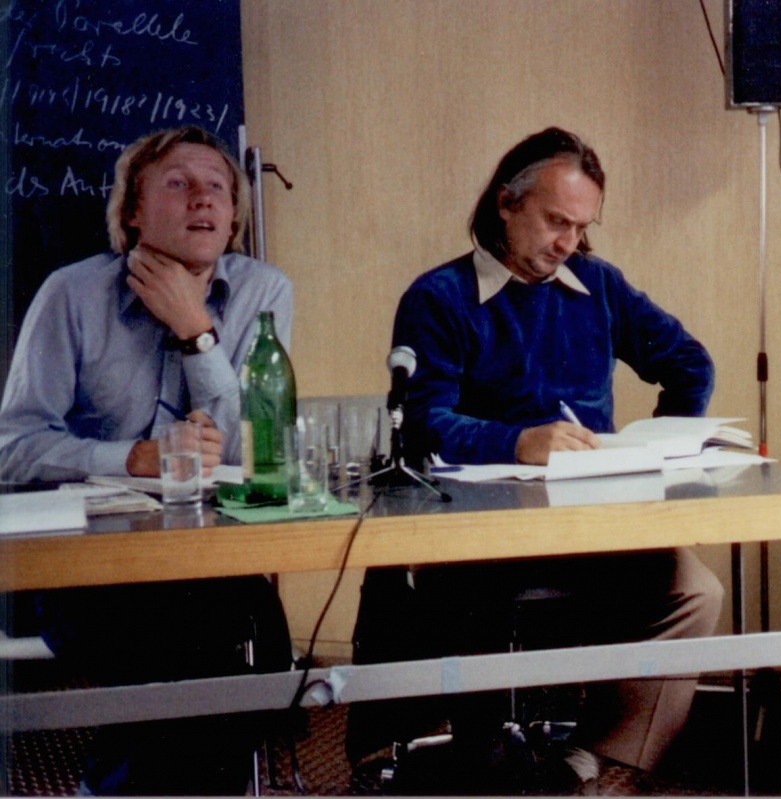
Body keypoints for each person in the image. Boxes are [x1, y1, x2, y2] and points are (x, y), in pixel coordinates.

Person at [351, 127, 724, 793]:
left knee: (696, 591)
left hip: (593, 526)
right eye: (556, 221)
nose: (568, 243)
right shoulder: (438, 297)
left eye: (581, 227)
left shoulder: (599, 285)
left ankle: (585, 759)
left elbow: (691, 364)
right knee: (469, 618)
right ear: (505, 203)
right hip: (481, 538)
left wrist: (660, 445)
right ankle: (482, 753)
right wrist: (515, 440)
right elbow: (420, 421)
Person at [0, 126, 295, 795]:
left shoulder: (264, 291)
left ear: (234, 215)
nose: (203, 200)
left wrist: (198, 332)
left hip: (208, 560)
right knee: (186, 658)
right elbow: (11, 448)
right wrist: (130, 457)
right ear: (132, 213)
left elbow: (249, 450)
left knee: (265, 654)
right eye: (179, 183)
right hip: (86, 567)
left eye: (217, 188)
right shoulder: (70, 296)